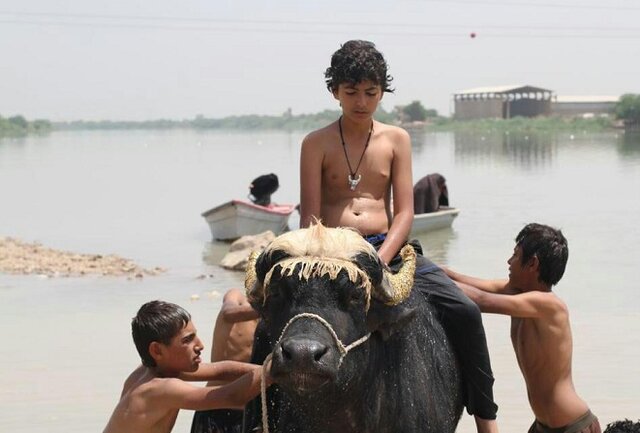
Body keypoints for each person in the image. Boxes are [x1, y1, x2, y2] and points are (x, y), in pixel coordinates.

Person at [299, 39, 498, 433]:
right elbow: (310, 215)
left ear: (382, 92)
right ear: (334, 91)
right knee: (272, 320)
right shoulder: (315, 142)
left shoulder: (396, 139)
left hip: (387, 249)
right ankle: (257, 418)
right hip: (330, 253)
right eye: (351, 92)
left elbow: (405, 211)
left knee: (466, 312)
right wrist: (333, 256)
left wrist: (379, 258)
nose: (361, 101)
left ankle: (486, 421)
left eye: (371, 93)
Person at [443, 223, 602, 433]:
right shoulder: (517, 292)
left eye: (516, 256)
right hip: (541, 425)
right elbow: (463, 282)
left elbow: (481, 300)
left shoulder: (549, 305)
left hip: (573, 426)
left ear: (532, 264)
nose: (509, 262)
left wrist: (431, 281)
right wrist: (427, 268)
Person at [103, 300, 270, 433]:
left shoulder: (155, 369)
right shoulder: (159, 389)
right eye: (187, 340)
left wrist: (263, 370)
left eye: (195, 336)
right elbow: (232, 397)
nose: (200, 345)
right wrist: (276, 368)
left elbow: (221, 369)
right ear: (157, 350)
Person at [191, 289, 260, 433]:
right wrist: (267, 309)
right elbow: (228, 313)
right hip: (215, 407)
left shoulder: (278, 319)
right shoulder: (237, 296)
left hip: (250, 414)